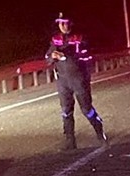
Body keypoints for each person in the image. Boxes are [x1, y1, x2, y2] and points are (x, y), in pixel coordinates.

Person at [45, 12, 107, 149]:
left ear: (70, 23)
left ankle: (99, 132)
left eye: (65, 22)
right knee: (66, 110)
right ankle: (70, 141)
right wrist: (52, 57)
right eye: (60, 23)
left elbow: (87, 57)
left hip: (79, 80)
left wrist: (67, 55)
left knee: (86, 109)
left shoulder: (80, 38)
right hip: (63, 81)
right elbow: (47, 57)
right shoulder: (55, 39)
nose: (63, 25)